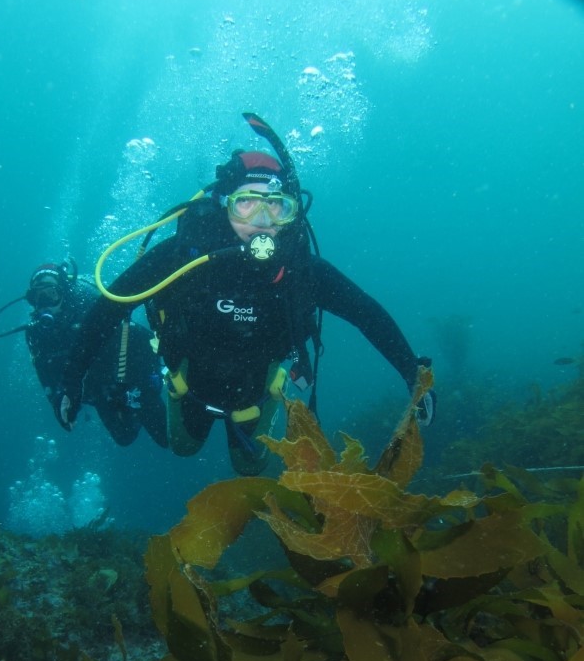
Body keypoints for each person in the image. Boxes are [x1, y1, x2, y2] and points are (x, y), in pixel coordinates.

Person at [56, 113, 436, 475]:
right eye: (246, 203)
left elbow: (365, 313)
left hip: (258, 392)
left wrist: (412, 374)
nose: (261, 220)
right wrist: (72, 376)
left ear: (292, 214)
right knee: (184, 447)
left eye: (277, 206)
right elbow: (111, 307)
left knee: (251, 468)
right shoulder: (181, 256)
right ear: (224, 206)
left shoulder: (302, 271)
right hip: (189, 384)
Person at [0, 258, 168, 449]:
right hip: (98, 390)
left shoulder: (91, 306)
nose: (45, 305)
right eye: (37, 298)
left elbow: (142, 337)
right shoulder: (36, 333)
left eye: (50, 295)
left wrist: (148, 380)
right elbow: (44, 373)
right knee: (125, 437)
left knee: (165, 437)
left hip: (133, 375)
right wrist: (57, 401)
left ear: (64, 293)